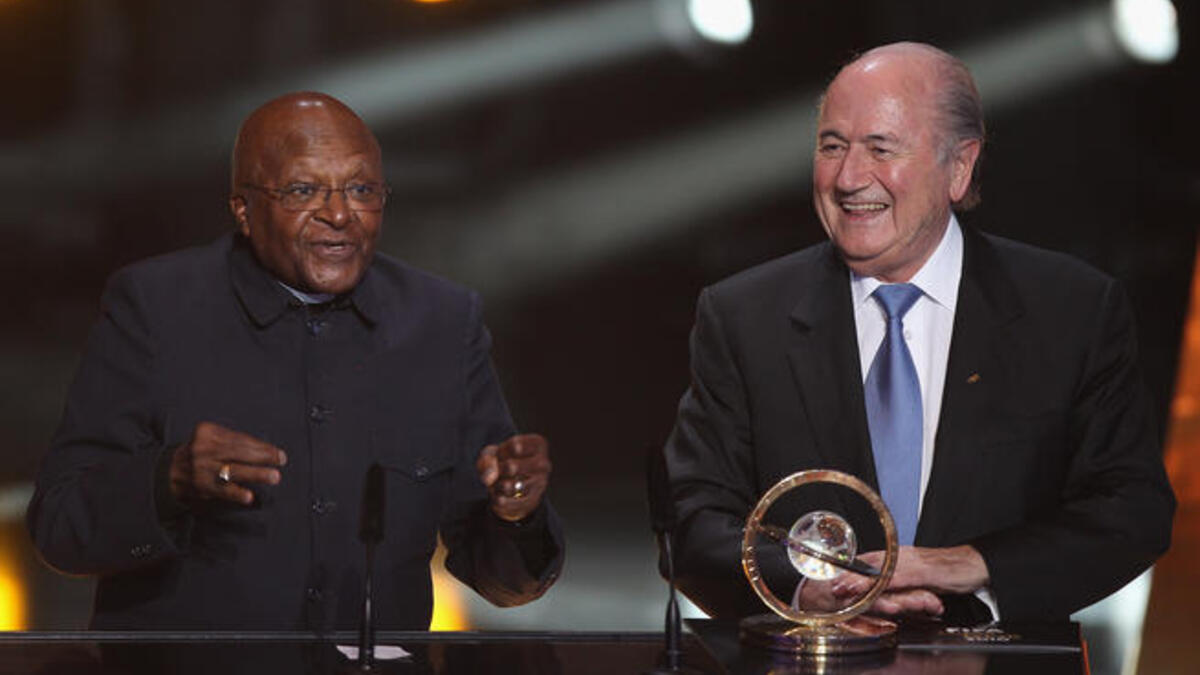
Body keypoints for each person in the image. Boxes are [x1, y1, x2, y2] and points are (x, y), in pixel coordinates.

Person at [662, 42, 1174, 623]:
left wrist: (973, 563)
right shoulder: (743, 316)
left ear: (959, 167)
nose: (850, 177)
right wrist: (804, 593)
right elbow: (691, 519)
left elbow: (1130, 512)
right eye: (832, 147)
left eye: (881, 148)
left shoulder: (1071, 311)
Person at [27, 92, 563, 631]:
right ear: (243, 209)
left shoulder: (444, 324)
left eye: (361, 190)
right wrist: (168, 480)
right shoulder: (153, 308)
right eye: (304, 190)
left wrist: (515, 515)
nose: (338, 215)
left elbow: (505, 583)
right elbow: (60, 527)